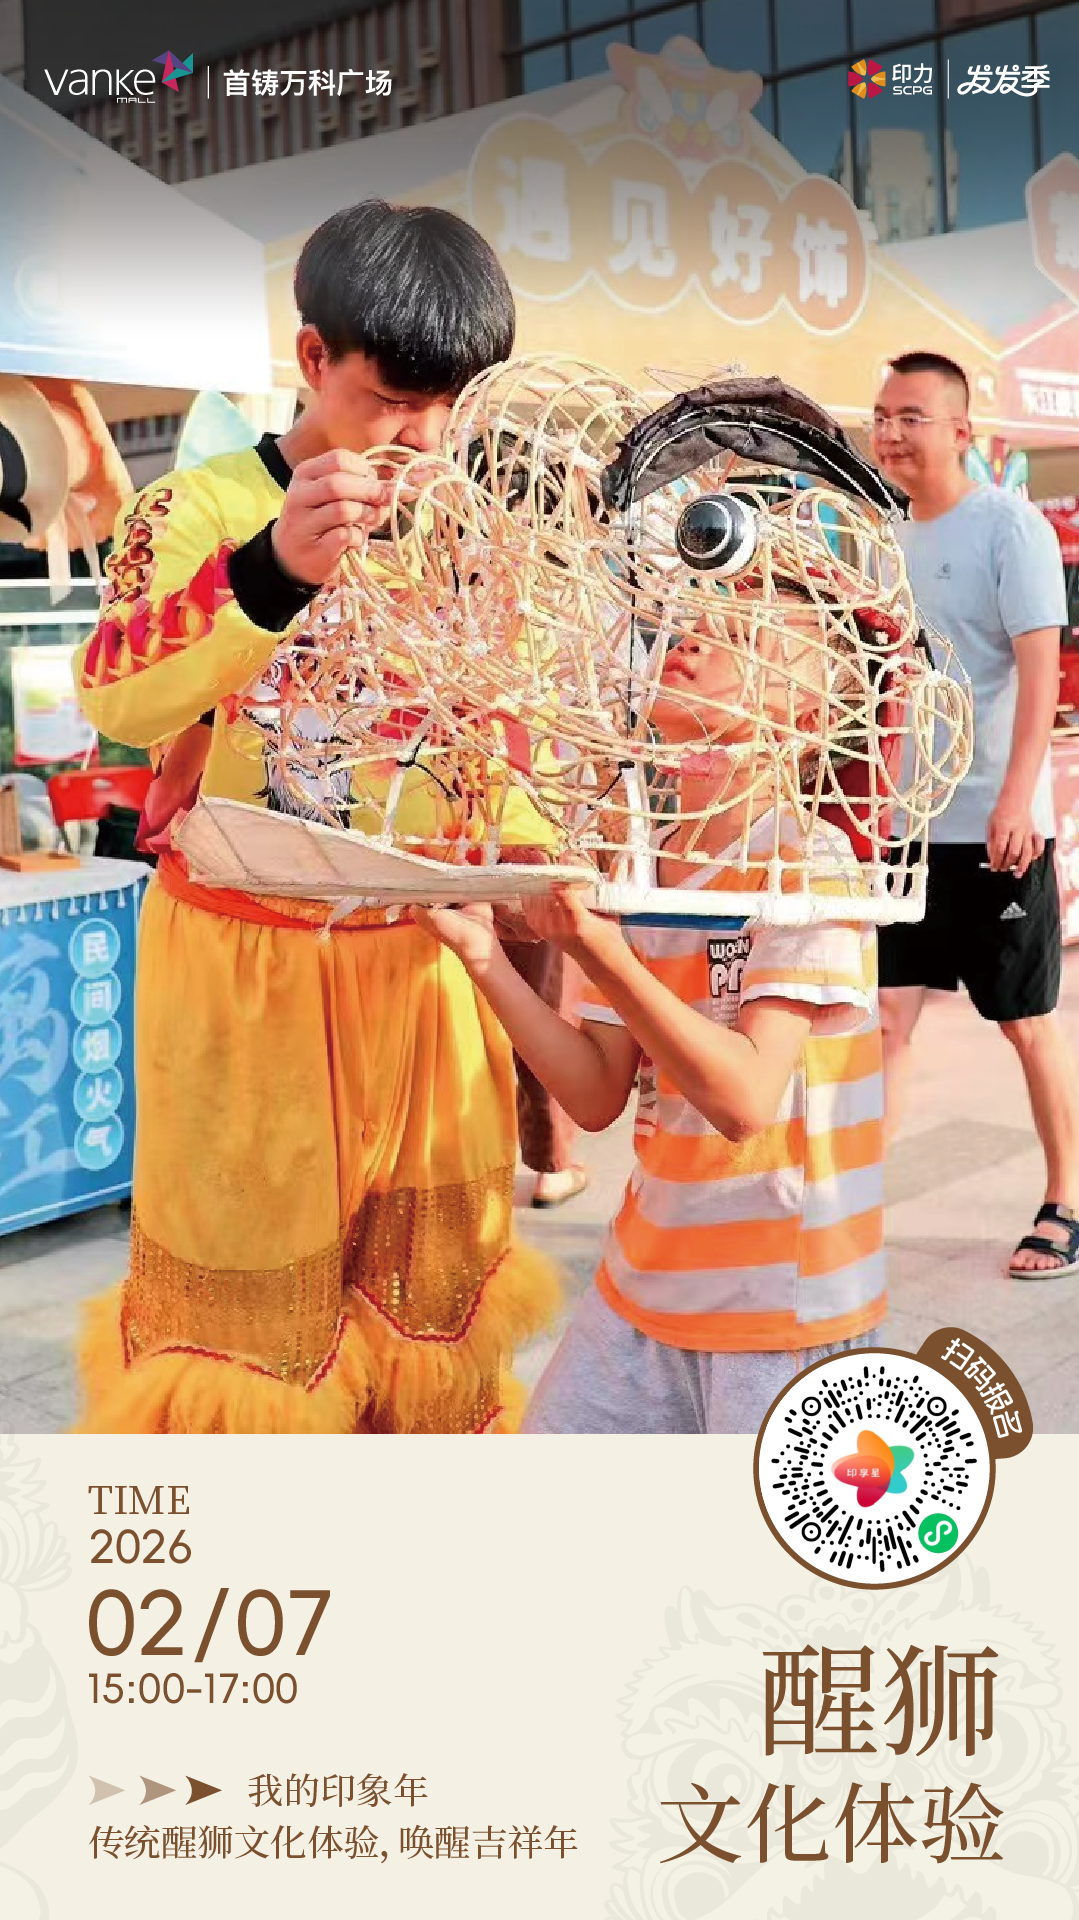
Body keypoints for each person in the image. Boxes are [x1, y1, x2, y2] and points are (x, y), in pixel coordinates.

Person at [73, 199, 560, 1434]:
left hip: (425, 971)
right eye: (394, 398)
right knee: (249, 1341)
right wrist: (269, 573)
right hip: (244, 975)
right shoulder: (196, 510)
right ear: (311, 357)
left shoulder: (465, 529)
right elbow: (119, 692)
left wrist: (540, 858)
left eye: (451, 405)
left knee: (432, 1310)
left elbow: (493, 737)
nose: (424, 437)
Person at [418, 581, 885, 1434]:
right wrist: (484, 957)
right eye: (691, 627)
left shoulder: (808, 862)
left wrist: (599, 949)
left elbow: (744, 1099)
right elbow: (595, 1091)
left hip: (779, 1302)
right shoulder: (642, 865)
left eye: (740, 636)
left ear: (808, 715)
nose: (693, 642)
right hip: (641, 1280)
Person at [872, 350, 1079, 1280]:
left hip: (997, 827)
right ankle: (853, 1200)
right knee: (885, 1017)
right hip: (905, 828)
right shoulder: (882, 532)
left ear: (960, 431)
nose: (889, 433)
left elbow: (1039, 671)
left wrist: (1014, 799)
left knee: (1023, 1020)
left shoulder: (1009, 526)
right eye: (882, 416)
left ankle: (1064, 1201)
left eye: (910, 417)